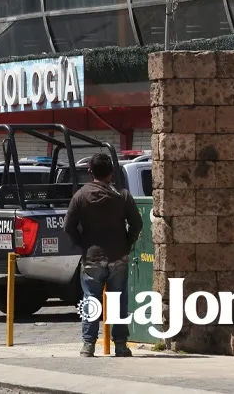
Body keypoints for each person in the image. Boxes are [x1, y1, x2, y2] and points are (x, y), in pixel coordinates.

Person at [63, 153, 142, 357]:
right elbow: (137, 223)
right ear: (111, 172)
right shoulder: (122, 195)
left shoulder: (80, 196)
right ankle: (121, 345)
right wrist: (127, 242)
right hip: (118, 256)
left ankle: (88, 345)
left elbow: (68, 227)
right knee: (118, 300)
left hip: (92, 257)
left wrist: (83, 243)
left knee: (91, 299)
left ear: (90, 172)